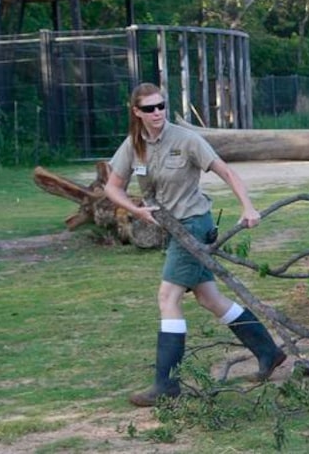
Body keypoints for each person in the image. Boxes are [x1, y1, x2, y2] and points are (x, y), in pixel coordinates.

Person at [104, 82, 287, 407]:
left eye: (161, 105)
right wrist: (136, 210)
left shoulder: (186, 139)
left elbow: (226, 172)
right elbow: (112, 187)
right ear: (136, 112)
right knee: (209, 298)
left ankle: (167, 384)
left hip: (194, 226)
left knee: (167, 296)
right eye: (149, 108)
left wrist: (247, 206)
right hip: (173, 229)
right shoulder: (133, 145)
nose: (157, 112)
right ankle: (268, 352)